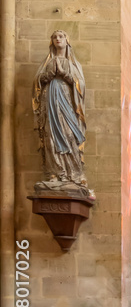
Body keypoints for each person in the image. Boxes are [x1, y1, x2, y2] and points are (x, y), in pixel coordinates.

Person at [32, 30, 89, 193]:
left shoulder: (73, 64)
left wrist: (64, 74)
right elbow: (37, 82)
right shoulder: (47, 63)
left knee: (68, 134)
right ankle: (55, 173)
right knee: (50, 135)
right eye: (55, 37)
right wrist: (48, 75)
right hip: (49, 102)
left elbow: (81, 85)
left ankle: (73, 174)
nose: (58, 39)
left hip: (67, 103)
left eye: (61, 36)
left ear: (66, 40)